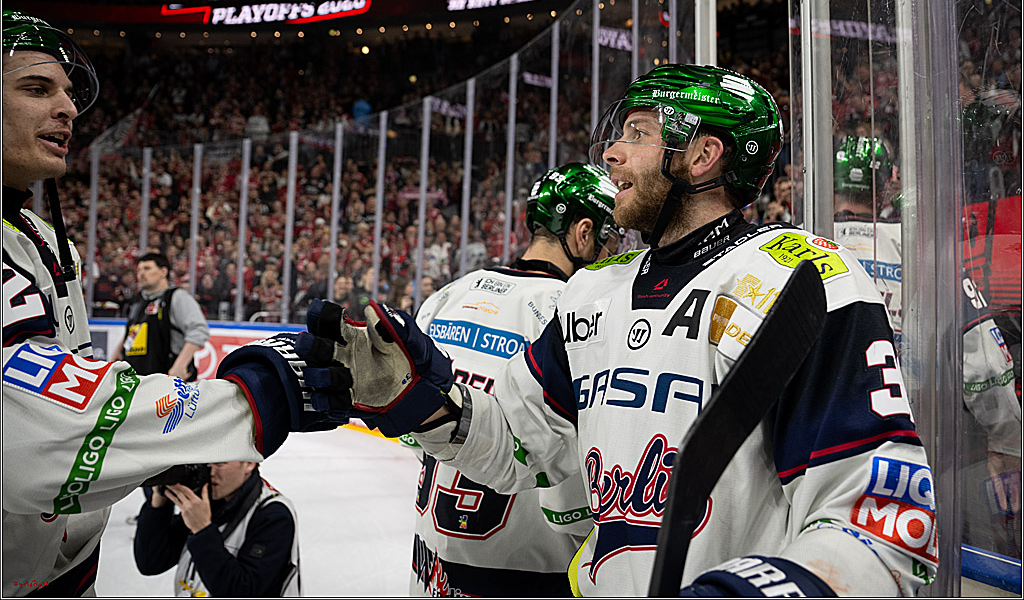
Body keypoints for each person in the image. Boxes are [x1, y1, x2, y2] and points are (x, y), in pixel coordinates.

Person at [302, 64, 939, 595]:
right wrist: (424, 404)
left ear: (702, 155)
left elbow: (884, 522)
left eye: (638, 132)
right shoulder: (593, 292)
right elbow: (517, 444)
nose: (611, 152)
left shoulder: (797, 281)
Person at [2, 9, 340, 597]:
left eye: (67, 92)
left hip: (67, 541)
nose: (69, 108)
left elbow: (98, 370)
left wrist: (163, 428)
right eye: (37, 88)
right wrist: (257, 393)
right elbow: (38, 429)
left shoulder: (42, 237)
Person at [406, 162, 627, 596]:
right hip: (528, 570)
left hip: (431, 562)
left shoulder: (449, 295)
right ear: (583, 233)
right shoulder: (578, 316)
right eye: (610, 241)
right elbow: (573, 498)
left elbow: (418, 431)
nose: (611, 255)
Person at [831, 134, 1021, 553]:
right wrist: (1007, 441)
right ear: (886, 185)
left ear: (831, 182)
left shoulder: (803, 243)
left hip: (824, 453)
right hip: (910, 454)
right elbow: (985, 364)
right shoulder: (919, 251)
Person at [133, 461, 300, 596]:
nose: (210, 472)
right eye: (206, 463)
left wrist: (202, 529)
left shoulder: (274, 515)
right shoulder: (210, 499)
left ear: (249, 463)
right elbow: (151, 563)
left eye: (220, 464)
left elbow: (243, 590)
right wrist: (159, 502)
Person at [112, 253, 210, 381]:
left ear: (163, 272)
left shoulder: (177, 297)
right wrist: (119, 351)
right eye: (139, 270)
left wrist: (180, 364)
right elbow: (135, 329)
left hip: (166, 380)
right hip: (137, 379)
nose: (141, 274)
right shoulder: (138, 300)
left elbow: (199, 330)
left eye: (147, 268)